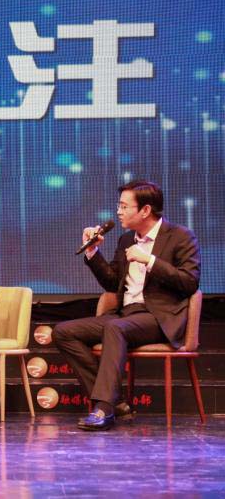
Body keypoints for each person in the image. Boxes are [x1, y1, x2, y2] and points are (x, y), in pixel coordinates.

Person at [53, 180, 201, 431]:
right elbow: (112, 283)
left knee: (115, 328)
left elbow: (189, 282)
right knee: (63, 332)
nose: (118, 212)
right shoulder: (125, 240)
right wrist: (93, 252)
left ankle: (103, 408)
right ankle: (117, 402)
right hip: (125, 314)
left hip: (158, 317)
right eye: (118, 206)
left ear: (145, 210)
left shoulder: (180, 236)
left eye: (124, 206)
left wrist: (150, 261)